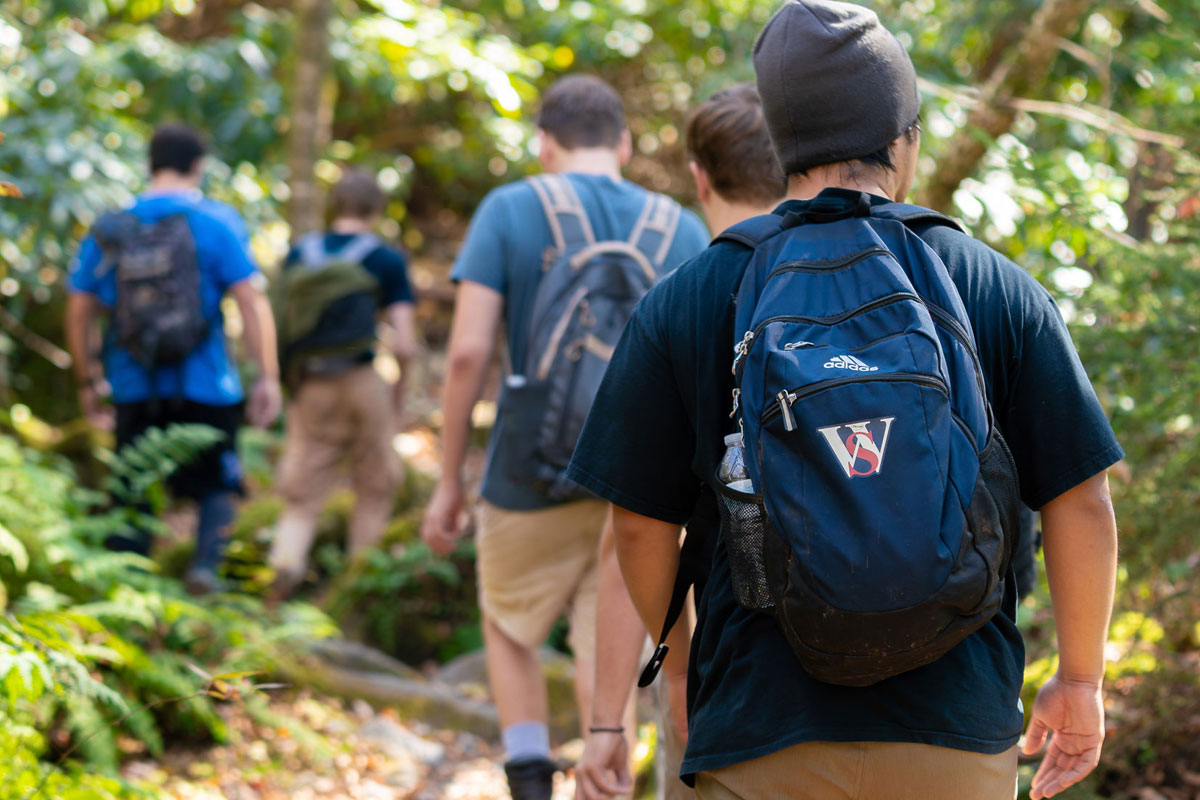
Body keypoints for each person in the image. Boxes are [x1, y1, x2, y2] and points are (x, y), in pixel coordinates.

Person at [566, 3, 1121, 799]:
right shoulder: (993, 286)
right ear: (905, 139)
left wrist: (684, 667)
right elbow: (1081, 499)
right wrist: (1080, 680)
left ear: (781, 142)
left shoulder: (692, 295)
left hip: (759, 731)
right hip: (954, 734)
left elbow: (640, 523)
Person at [420, 74, 710, 800]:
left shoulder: (509, 209)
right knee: (608, 643)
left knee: (509, 624)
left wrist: (449, 478)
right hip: (643, 484)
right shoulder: (680, 227)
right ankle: (605, 776)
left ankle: (527, 773)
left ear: (544, 144)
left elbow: (467, 353)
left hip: (528, 469)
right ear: (625, 143)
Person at [574, 84, 785, 800]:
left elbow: (633, 534)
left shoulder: (681, 302)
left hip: (734, 683)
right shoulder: (894, 274)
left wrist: (623, 712)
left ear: (699, 178)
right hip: (919, 683)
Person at [66, 123, 283, 594]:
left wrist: (88, 380)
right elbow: (251, 301)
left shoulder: (110, 228)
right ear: (198, 167)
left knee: (132, 494)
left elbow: (80, 307)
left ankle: (124, 594)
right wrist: (267, 376)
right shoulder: (217, 221)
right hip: (208, 384)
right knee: (216, 487)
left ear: (150, 165)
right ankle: (205, 573)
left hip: (133, 383)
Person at [266, 168, 418, 599]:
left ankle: (280, 579)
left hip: (311, 384)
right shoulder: (386, 260)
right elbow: (405, 345)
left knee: (302, 497)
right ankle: (355, 588)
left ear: (335, 206)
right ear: (377, 210)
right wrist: (398, 397)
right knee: (375, 487)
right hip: (363, 381)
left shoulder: (301, 253)